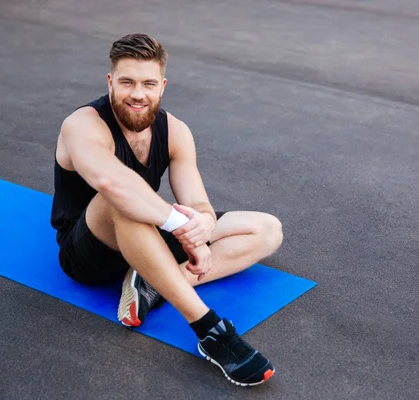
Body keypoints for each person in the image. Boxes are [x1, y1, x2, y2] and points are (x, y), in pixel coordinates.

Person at [50, 33, 283, 386]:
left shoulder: (175, 131)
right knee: (123, 198)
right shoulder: (82, 125)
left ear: (162, 86)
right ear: (111, 82)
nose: (137, 93)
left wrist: (201, 225)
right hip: (87, 251)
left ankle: (152, 283)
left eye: (148, 83)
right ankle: (211, 332)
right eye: (127, 82)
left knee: (266, 229)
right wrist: (182, 230)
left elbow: (198, 202)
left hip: (147, 233)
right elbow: (113, 184)